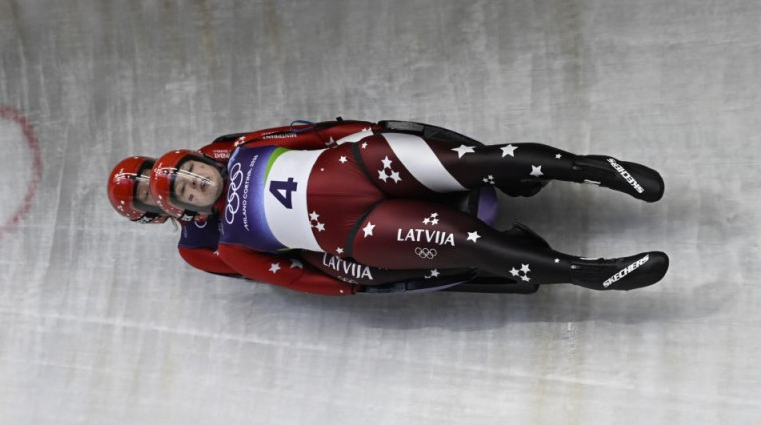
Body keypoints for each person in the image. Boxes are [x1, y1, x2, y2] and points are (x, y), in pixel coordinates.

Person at [148, 120, 670, 296]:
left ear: (201, 159)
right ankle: (587, 273)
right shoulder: (231, 244)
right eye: (188, 192)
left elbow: (312, 134)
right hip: (358, 230)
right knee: (472, 246)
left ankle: (596, 169)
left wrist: (360, 131)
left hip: (359, 164)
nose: (198, 185)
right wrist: (348, 282)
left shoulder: (245, 147)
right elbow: (291, 276)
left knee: (482, 161)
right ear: (184, 209)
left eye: (193, 174)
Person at [109, 119, 525, 294]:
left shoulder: (210, 157)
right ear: (152, 212)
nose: (153, 187)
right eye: (146, 195)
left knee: (372, 160)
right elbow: (261, 270)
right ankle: (477, 257)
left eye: (147, 177)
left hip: (329, 180)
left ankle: (503, 172)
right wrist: (344, 285)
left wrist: (354, 130)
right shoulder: (194, 249)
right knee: (361, 251)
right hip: (312, 239)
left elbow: (284, 138)